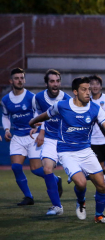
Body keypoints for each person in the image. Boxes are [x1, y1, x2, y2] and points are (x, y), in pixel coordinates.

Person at [29, 76, 105, 224]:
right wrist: (32, 122)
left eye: (89, 89)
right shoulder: (62, 106)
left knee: (102, 186)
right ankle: (81, 201)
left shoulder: (95, 108)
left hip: (86, 151)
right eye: (84, 89)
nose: (88, 92)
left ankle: (99, 216)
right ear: (75, 92)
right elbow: (46, 114)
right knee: (81, 183)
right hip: (66, 151)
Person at [1, 68, 63, 215]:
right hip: (17, 136)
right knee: (16, 167)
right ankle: (29, 196)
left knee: (35, 169)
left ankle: (55, 179)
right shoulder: (5, 100)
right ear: (11, 81)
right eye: (16, 78)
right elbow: (5, 116)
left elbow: (41, 114)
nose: (20, 80)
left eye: (22, 78)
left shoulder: (32, 97)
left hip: (32, 136)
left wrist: (40, 131)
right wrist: (7, 130)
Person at [32, 69, 70, 204]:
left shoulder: (67, 99)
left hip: (65, 140)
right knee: (47, 169)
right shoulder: (39, 98)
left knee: (81, 177)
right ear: (46, 83)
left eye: (57, 81)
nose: (55, 84)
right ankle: (56, 206)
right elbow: (38, 113)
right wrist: (37, 128)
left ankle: (82, 201)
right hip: (49, 139)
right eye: (52, 81)